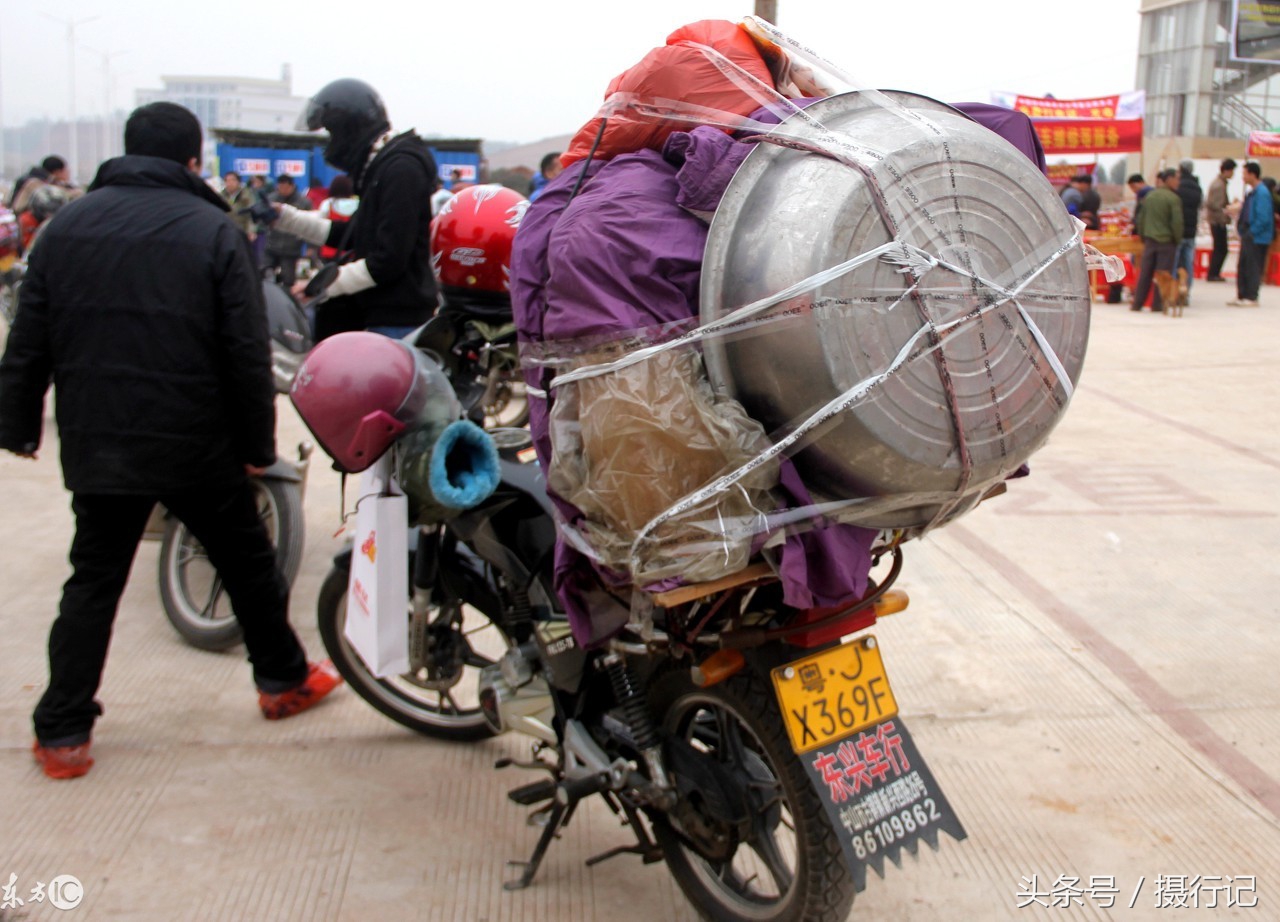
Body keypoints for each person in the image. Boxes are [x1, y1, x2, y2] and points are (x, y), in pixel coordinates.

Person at [0, 102, 341, 780]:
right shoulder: (213, 230)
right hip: (197, 441)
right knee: (246, 564)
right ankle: (282, 681)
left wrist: (15, 425)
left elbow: (28, 336)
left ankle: (64, 735)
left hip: (101, 439)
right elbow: (245, 351)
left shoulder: (68, 227)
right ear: (191, 162)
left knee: (93, 581)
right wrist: (256, 441)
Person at [270, 77, 439, 340]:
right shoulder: (380, 167)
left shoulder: (400, 169)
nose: (330, 143)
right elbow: (354, 234)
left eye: (331, 133)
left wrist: (323, 286)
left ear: (349, 128)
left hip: (395, 320)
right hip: (376, 314)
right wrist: (285, 218)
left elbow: (389, 260)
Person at [1131, 169, 1183, 313]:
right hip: (1166, 242)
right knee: (1163, 275)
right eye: (1177, 179)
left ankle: (1137, 304)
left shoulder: (1150, 196)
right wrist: (1177, 240)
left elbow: (1140, 219)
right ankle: (1158, 305)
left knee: (1145, 274)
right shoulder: (1173, 198)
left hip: (1149, 242)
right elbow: (1177, 223)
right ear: (1169, 179)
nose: (1178, 182)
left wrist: (1143, 236)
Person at [1228, 161, 1273, 307]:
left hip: (1256, 235)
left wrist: (1252, 232)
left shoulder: (1262, 193)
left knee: (1253, 266)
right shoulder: (1251, 192)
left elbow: (1264, 217)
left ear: (1252, 174)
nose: (1242, 177)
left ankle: (1251, 296)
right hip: (1248, 232)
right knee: (1243, 265)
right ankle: (1242, 294)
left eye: (1244, 173)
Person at [265, 174, 312, 286]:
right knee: (264, 273)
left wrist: (311, 246)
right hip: (272, 245)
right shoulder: (272, 200)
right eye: (280, 187)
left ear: (292, 186)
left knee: (288, 280)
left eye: (285, 187)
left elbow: (309, 224)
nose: (283, 190)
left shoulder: (303, 202)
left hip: (291, 247)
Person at [1174, 159, 1203, 303]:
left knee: (1175, 264)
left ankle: (1174, 292)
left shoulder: (1178, 187)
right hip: (1191, 231)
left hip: (1178, 232)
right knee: (1187, 263)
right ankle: (1186, 293)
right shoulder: (1197, 187)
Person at [1204, 158, 1236, 281]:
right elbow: (1214, 204)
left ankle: (1214, 273)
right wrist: (1227, 210)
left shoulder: (1220, 183)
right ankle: (1213, 273)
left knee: (1220, 248)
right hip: (1217, 221)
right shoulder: (1218, 185)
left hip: (1217, 220)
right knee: (1221, 248)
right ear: (1227, 171)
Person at [317, 173, 358, 261]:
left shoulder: (327, 204)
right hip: (350, 251)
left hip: (329, 249)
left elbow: (319, 224)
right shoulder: (357, 204)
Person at [220, 170, 256, 241]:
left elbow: (252, 214)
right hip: (226, 232)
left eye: (233, 180)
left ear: (238, 182)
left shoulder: (246, 195)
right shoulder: (221, 196)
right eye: (227, 181)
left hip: (242, 230)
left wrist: (251, 231)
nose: (230, 183)